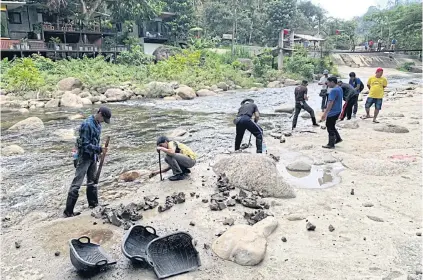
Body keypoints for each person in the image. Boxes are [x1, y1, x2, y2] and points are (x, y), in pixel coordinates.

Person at [63, 107, 112, 217]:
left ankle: (93, 204)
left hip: (93, 156)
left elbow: (95, 141)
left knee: (92, 181)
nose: (103, 121)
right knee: (77, 184)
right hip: (84, 157)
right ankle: (68, 211)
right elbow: (85, 145)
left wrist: (99, 153)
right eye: (103, 118)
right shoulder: (87, 125)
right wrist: (99, 149)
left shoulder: (98, 124)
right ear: (99, 113)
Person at [320, 76, 343, 149]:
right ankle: (338, 138)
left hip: (333, 111)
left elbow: (330, 102)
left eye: (328, 82)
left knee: (329, 126)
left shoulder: (333, 91)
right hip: (338, 110)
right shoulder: (339, 88)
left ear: (332, 82)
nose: (327, 84)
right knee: (332, 126)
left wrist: (325, 113)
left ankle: (331, 144)